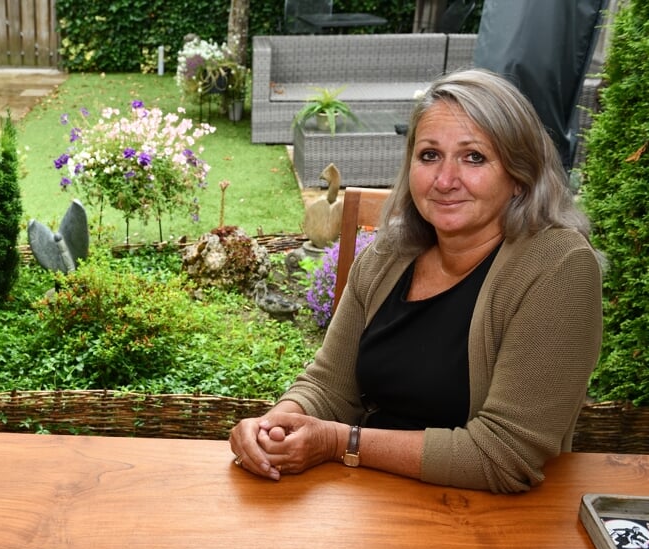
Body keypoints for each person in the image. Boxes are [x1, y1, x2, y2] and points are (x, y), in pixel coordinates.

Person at [230, 68, 603, 493]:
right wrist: (277, 425)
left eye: (474, 157)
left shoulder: (558, 266)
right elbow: (328, 385)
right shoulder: (391, 252)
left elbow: (505, 455)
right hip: (371, 503)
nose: (444, 181)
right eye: (429, 155)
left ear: (519, 176)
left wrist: (340, 441)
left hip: (492, 525)